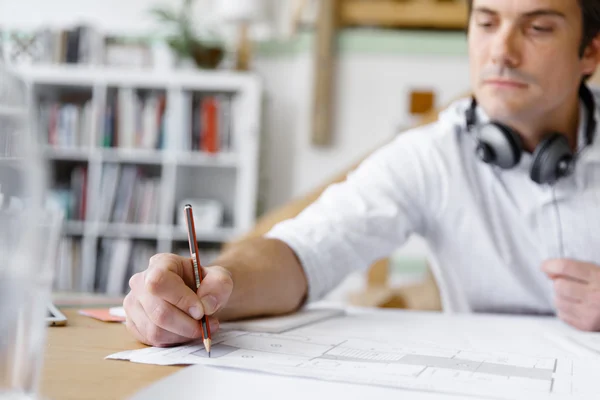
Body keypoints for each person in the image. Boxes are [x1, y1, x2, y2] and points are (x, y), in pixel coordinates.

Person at [124, 0, 600, 347]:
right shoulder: (432, 153)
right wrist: (212, 283)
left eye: (537, 28)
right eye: (487, 22)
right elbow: (303, 252)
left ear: (591, 54)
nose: (502, 51)